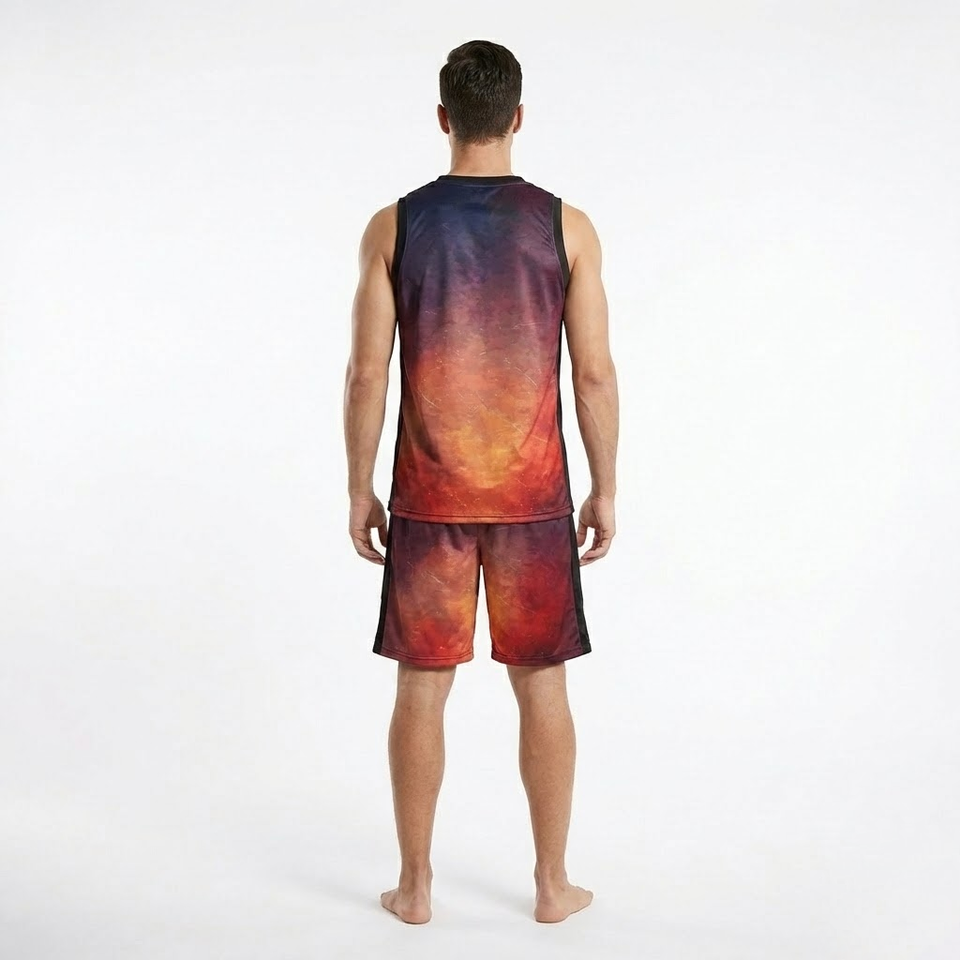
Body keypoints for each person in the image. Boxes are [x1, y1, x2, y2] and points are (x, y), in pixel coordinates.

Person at [343, 39, 619, 924]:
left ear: (443, 118)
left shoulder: (394, 226)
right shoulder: (567, 226)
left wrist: (359, 486)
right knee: (543, 687)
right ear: (518, 117)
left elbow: (367, 373)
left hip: (429, 497)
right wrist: (605, 486)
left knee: (421, 687)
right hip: (533, 498)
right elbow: (593, 374)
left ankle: (415, 887)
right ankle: (552, 885)